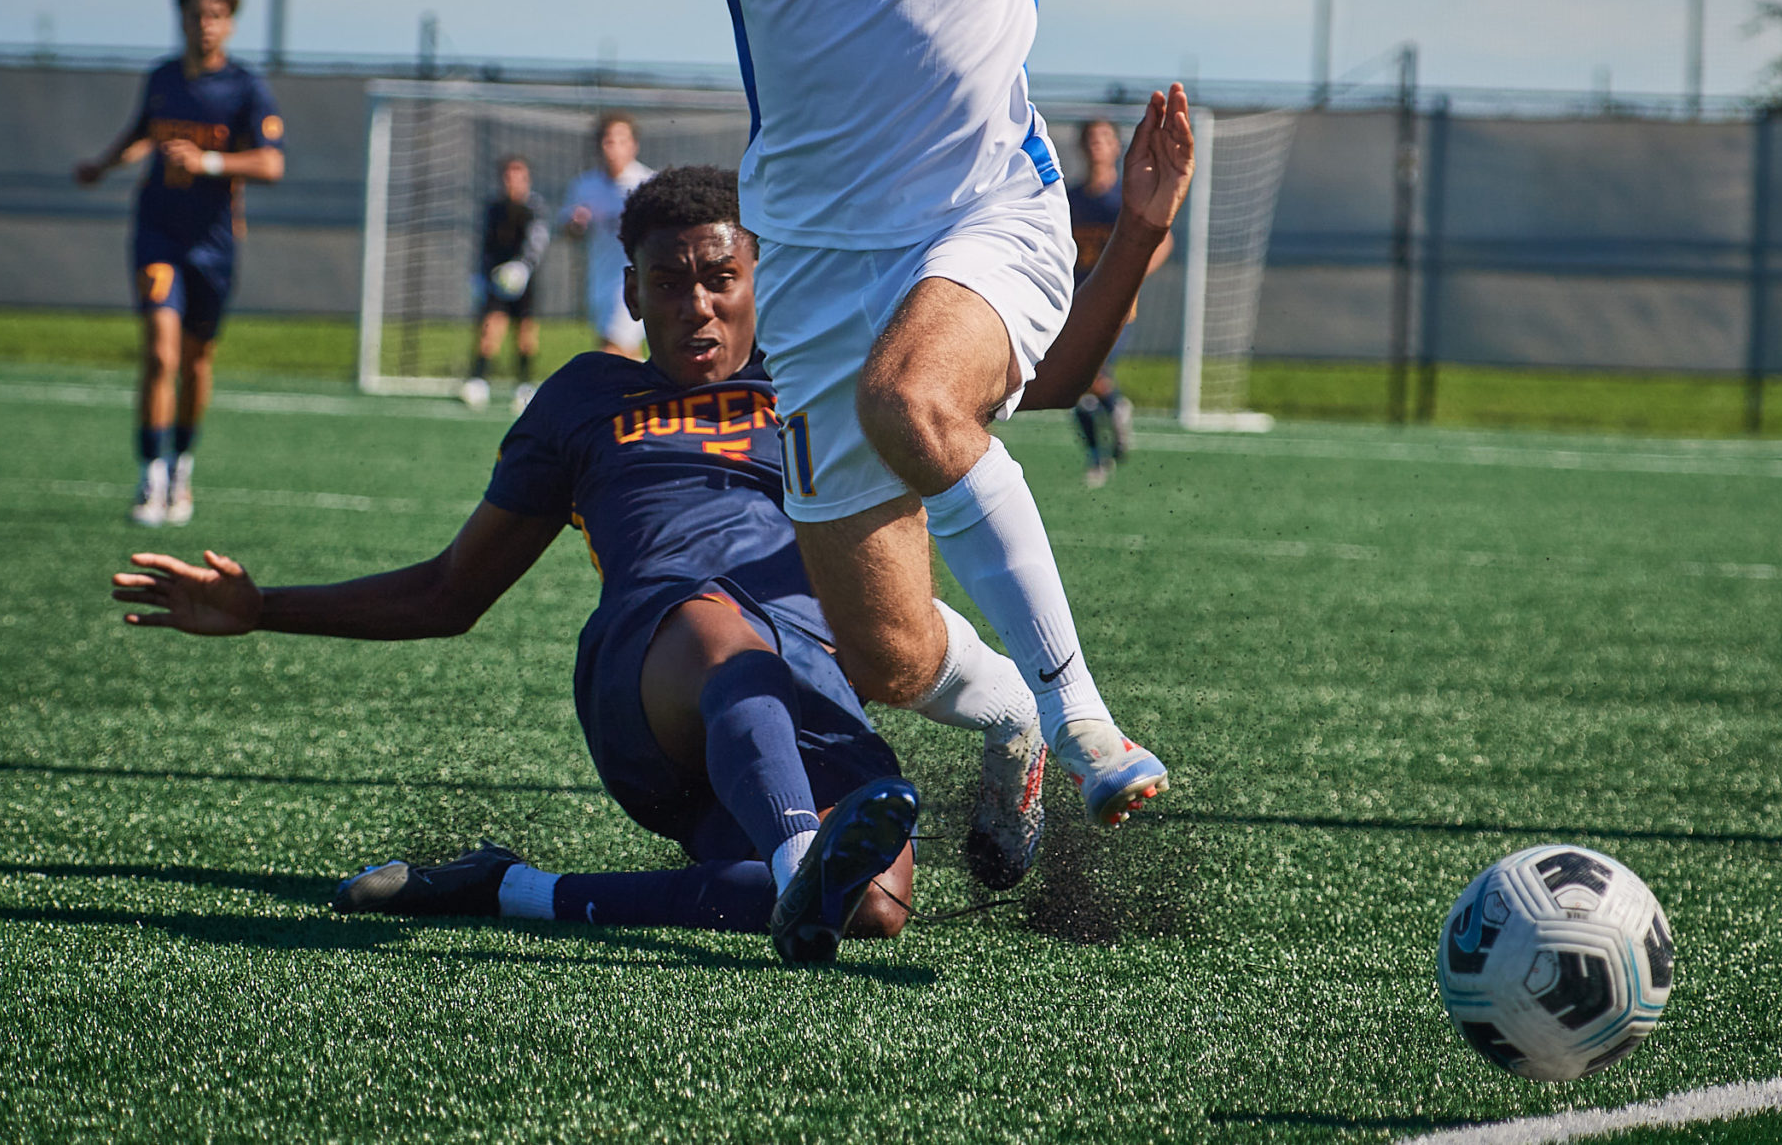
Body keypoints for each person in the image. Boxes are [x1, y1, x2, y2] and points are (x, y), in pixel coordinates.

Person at [493, 0, 1521, 828]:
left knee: (917, 401)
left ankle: (1084, 714)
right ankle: (1015, 725)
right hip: (806, 263)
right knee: (889, 651)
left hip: (990, 217)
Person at [109, 99, 1189, 966]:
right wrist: (262, 611)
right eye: (670, 284)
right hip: (653, 675)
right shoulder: (587, 395)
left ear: (760, 279)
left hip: (804, 667)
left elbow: (1059, 379)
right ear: (630, 289)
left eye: (721, 278)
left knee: (874, 912)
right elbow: (450, 594)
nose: (699, 307)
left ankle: (516, 889)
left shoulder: (819, 377)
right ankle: (803, 849)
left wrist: (1137, 231)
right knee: (721, 632)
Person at [76, 0, 286, 528]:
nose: (206, 26)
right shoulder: (163, 78)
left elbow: (271, 163)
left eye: (216, 16)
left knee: (196, 364)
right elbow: (141, 133)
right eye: (197, 15)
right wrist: (103, 164)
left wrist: (209, 162)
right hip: (158, 232)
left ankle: (183, 463)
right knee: (161, 354)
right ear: (183, 21)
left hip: (214, 245)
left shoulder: (245, 88)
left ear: (231, 25)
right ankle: (152, 476)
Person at [1065, 118, 1168, 488]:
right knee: (1073, 386)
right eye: (1090, 138)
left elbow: (1162, 241)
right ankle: (1099, 449)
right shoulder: (1069, 199)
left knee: (1088, 376)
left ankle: (1115, 410)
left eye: (1104, 138)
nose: (1097, 144)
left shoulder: (1125, 199)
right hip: (1074, 305)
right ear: (1081, 146)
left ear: (1116, 147)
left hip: (1116, 309)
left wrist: (1132, 279)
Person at [563, 113, 654, 357]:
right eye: (608, 141)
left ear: (634, 145)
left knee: (610, 352)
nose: (613, 148)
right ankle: (643, 395)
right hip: (600, 277)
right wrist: (576, 224)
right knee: (623, 350)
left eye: (621, 141)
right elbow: (569, 233)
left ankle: (591, 394)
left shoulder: (646, 183)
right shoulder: (585, 185)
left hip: (634, 279)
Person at [464, 156, 549, 411]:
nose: (513, 183)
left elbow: (538, 242)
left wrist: (523, 267)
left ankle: (524, 385)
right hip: (496, 280)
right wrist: (480, 276)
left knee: (525, 334)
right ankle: (477, 381)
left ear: (527, 180)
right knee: (490, 330)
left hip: (525, 279)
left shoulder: (534, 208)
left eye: (519, 177)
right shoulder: (493, 208)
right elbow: (485, 246)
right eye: (508, 177)